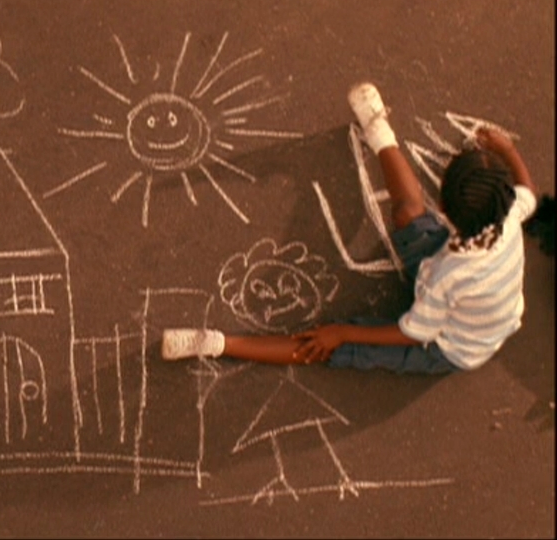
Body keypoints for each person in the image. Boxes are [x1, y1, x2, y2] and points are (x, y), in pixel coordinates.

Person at [162, 82, 539, 374]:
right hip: (456, 291)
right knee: (408, 213)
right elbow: (530, 195)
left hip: (447, 344)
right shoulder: (505, 214)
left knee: (326, 345)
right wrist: (508, 150)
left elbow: (414, 332)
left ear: (444, 210)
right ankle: (379, 130)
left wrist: (342, 332)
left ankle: (214, 343)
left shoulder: (454, 274)